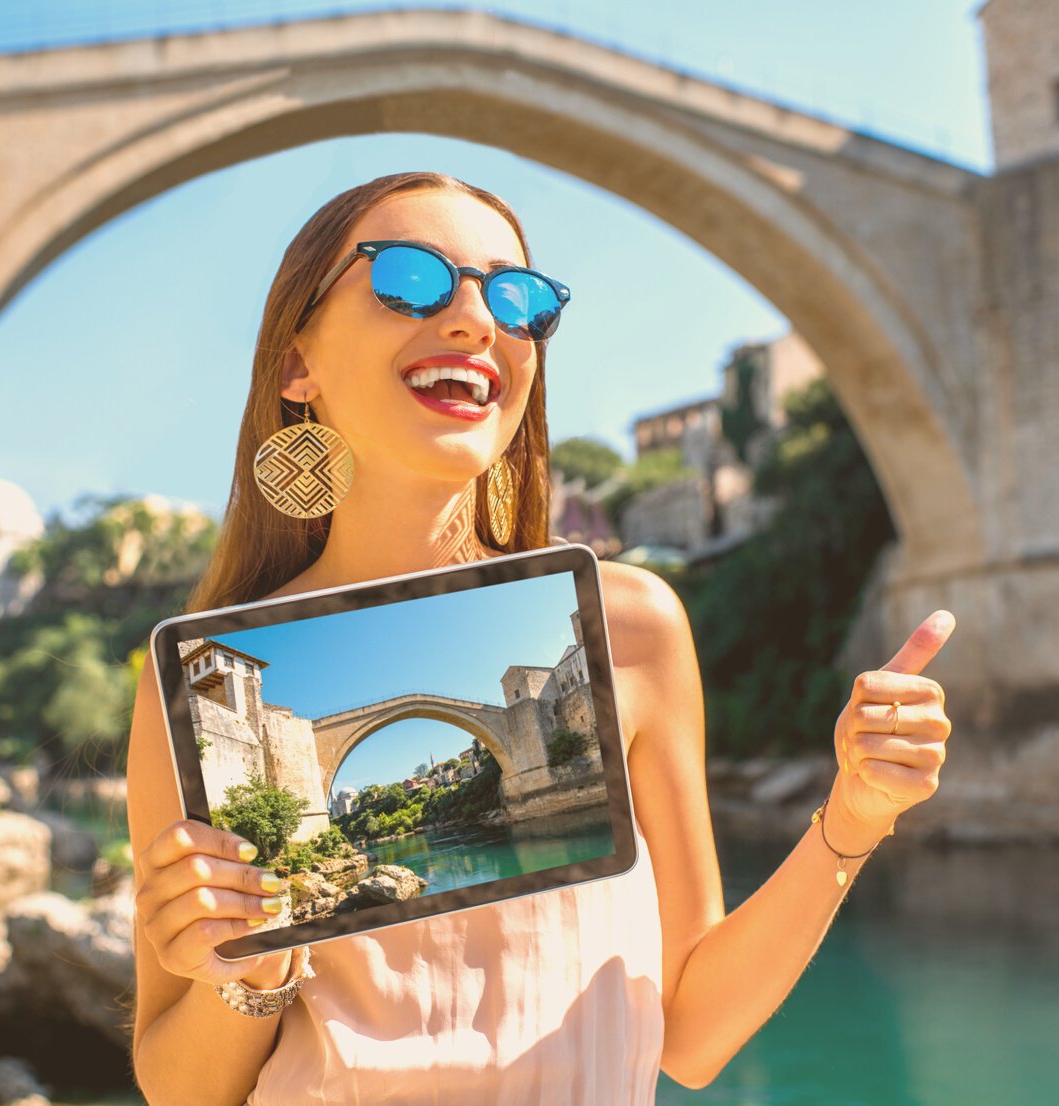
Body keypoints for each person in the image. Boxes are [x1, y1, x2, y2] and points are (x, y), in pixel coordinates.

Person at [126, 171, 957, 1105]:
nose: (479, 321)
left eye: (516, 300)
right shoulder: (198, 686)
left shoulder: (629, 625)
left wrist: (853, 818)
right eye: (411, 279)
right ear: (297, 365)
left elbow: (691, 1037)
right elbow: (180, 1092)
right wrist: (249, 969)